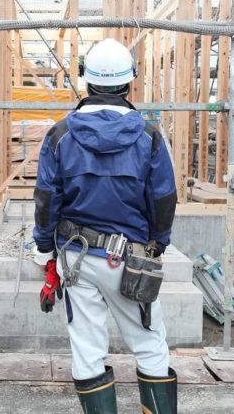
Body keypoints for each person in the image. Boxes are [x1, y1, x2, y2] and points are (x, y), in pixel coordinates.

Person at [33, 38, 178, 414]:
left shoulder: (60, 135)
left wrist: (44, 247)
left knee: (87, 347)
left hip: (77, 256)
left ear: (86, 80)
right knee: (148, 342)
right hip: (130, 260)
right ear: (130, 82)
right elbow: (163, 198)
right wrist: (156, 245)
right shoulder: (149, 136)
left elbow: (48, 199)